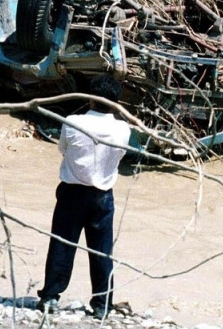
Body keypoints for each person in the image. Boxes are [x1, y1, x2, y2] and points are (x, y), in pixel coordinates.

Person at [37, 74, 132, 319]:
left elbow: (62, 150)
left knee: (62, 244)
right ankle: (102, 304)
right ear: (115, 104)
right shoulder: (123, 129)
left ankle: (50, 297)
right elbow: (119, 158)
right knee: (101, 250)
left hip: (72, 191)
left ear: (90, 99)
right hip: (102, 195)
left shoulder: (72, 122)